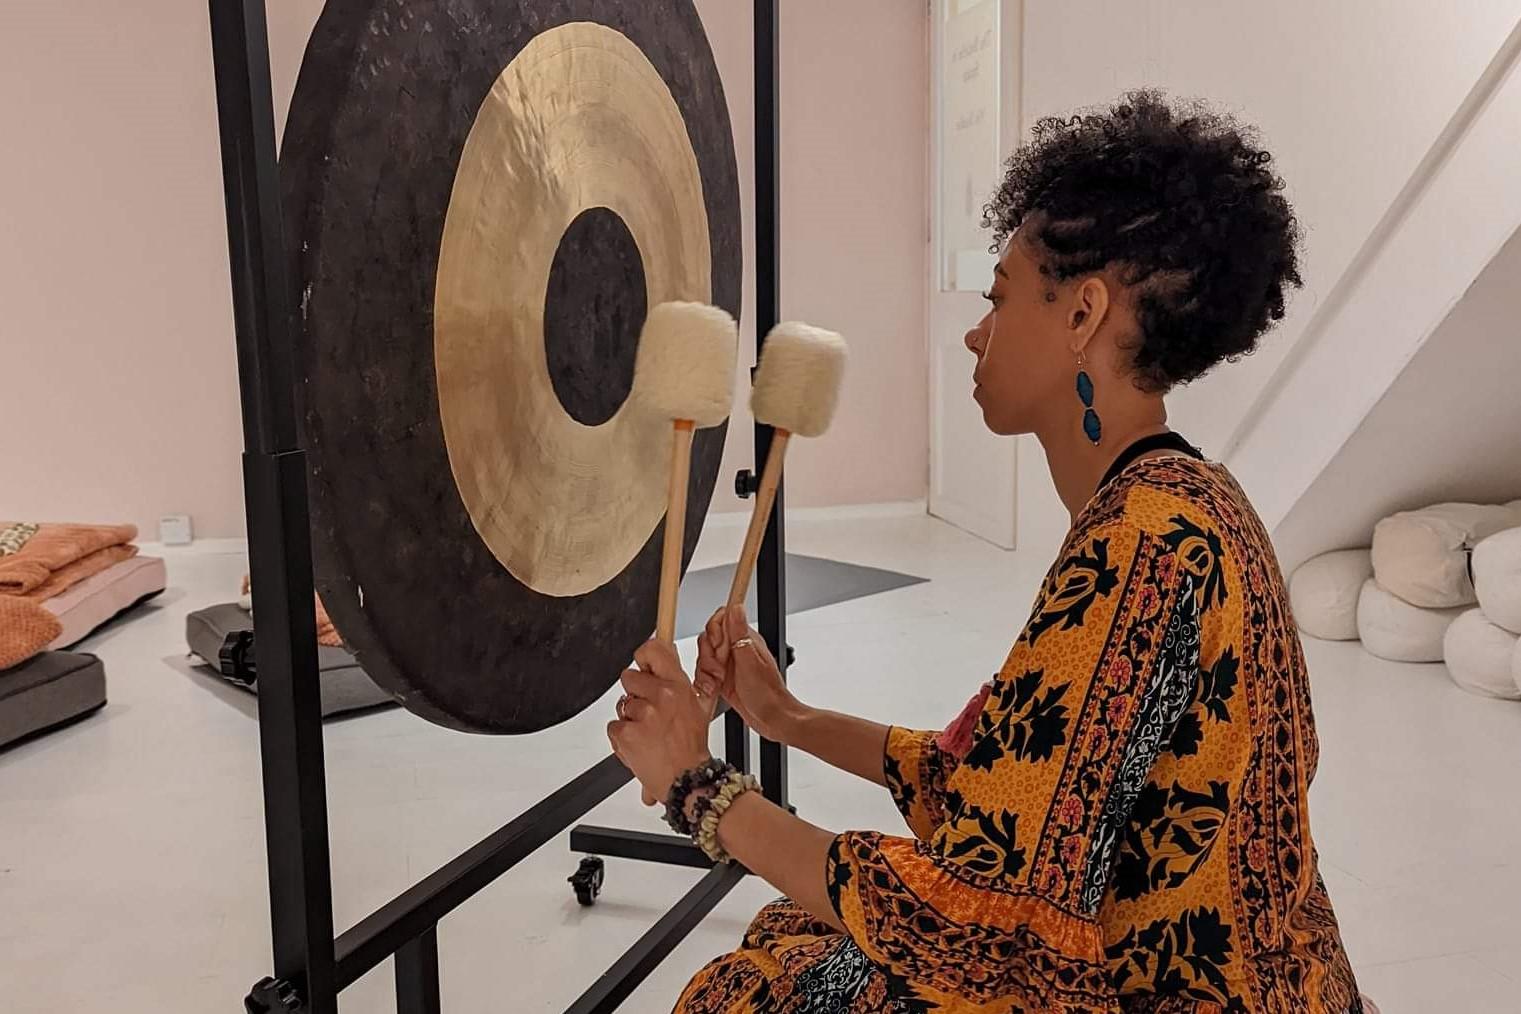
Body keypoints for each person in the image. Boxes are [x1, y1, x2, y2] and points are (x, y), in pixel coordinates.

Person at [607, 90, 1363, 1013]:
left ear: (1083, 311)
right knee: (797, 941)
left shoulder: (1145, 547)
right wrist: (789, 719)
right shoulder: (1187, 501)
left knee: (750, 993)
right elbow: (1003, 791)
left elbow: (970, 925)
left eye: (999, 298)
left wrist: (697, 786)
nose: (976, 329)